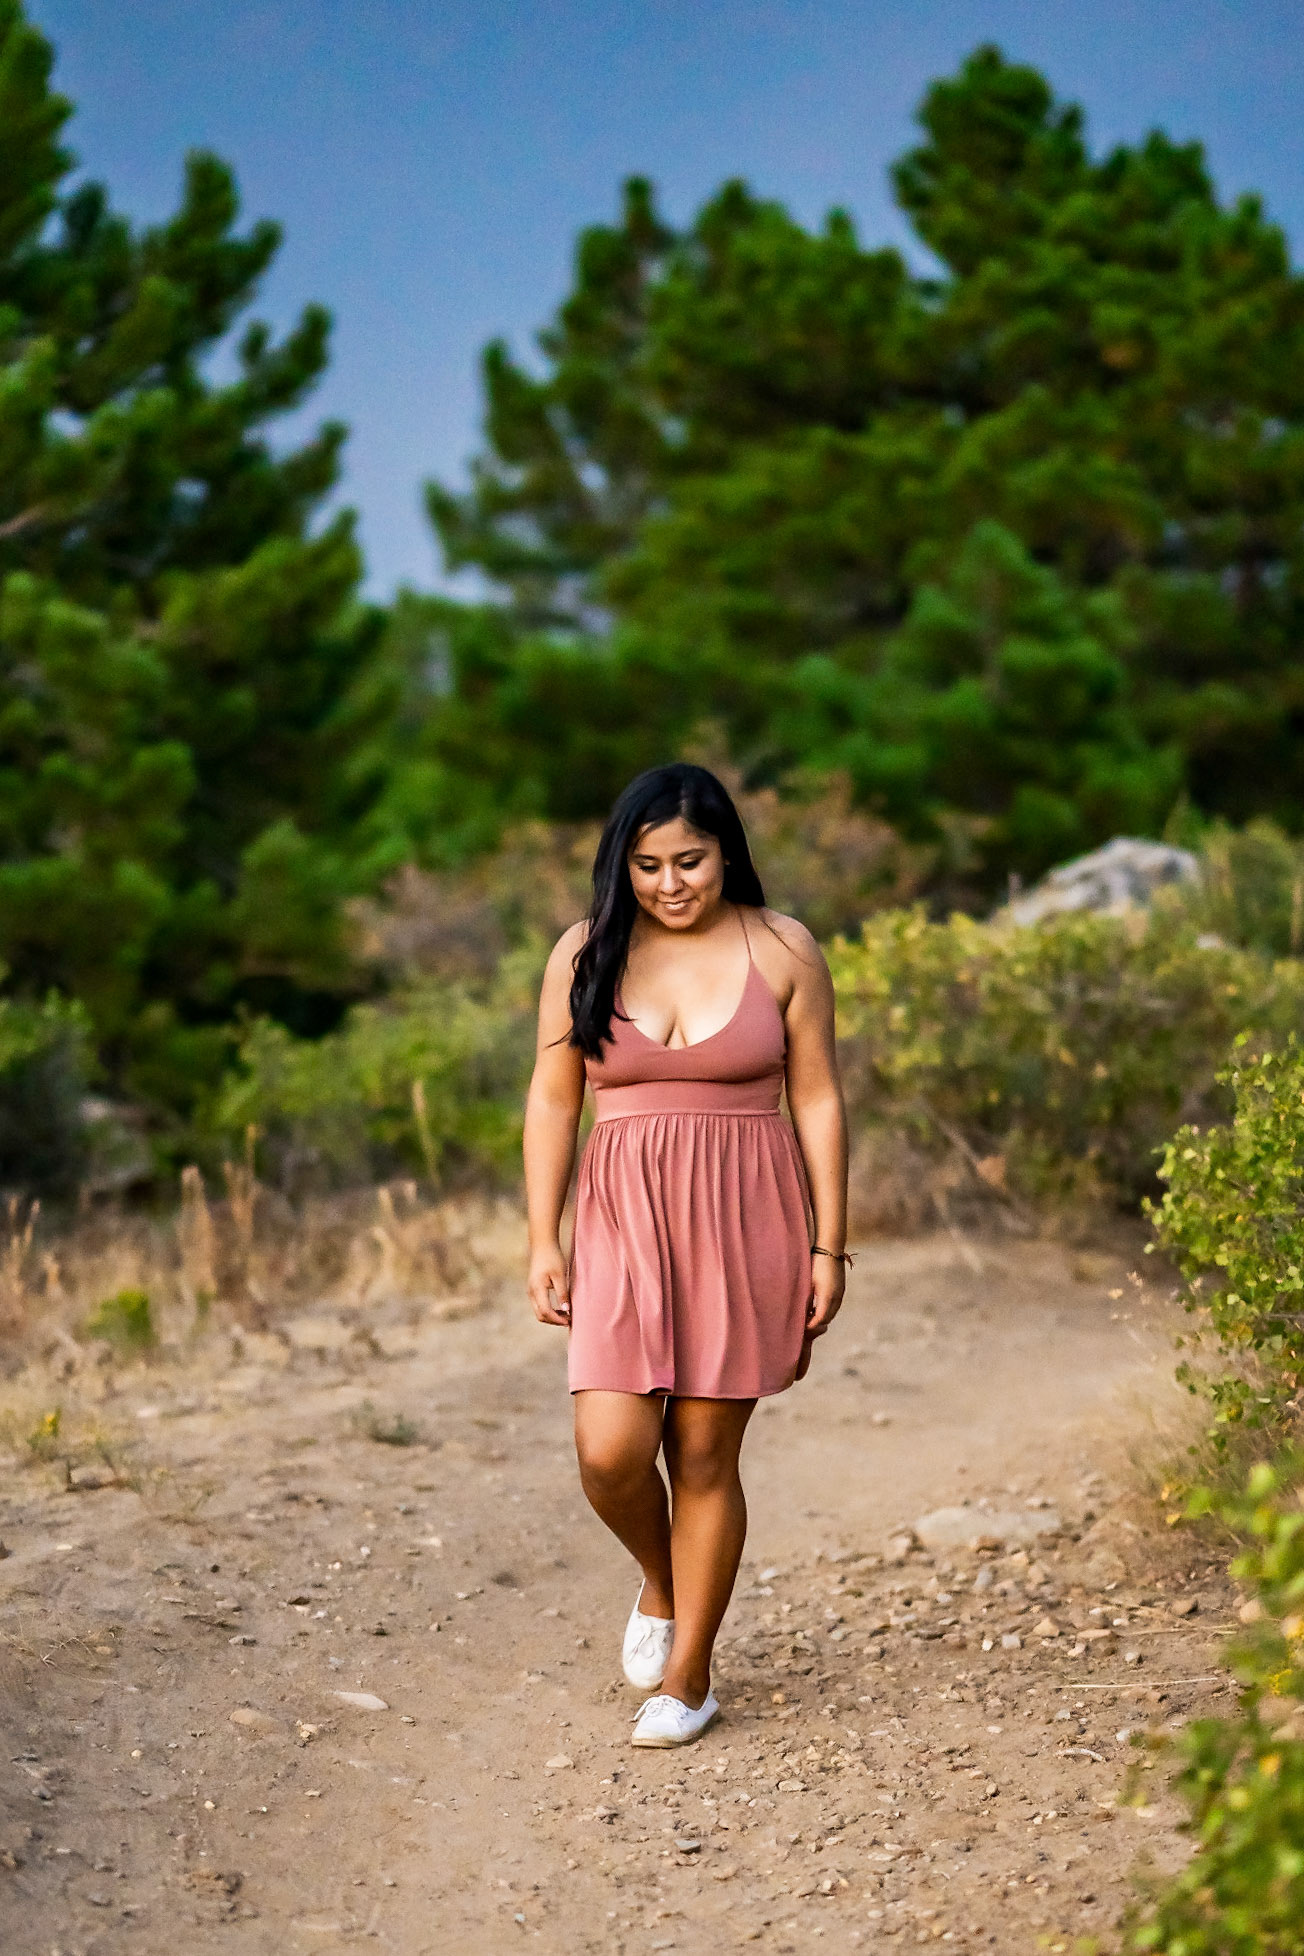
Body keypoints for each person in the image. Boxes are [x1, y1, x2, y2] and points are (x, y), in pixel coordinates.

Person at [523, 763, 850, 1748]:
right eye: (649, 865)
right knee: (609, 1452)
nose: (671, 884)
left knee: (704, 1456)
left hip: (745, 1223)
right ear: (622, 866)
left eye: (691, 862)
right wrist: (542, 1235)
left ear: (726, 854)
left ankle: (688, 1679)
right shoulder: (585, 951)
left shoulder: (782, 948)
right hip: (621, 1222)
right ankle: (661, 1581)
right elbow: (553, 1101)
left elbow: (818, 1098)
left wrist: (829, 1245)